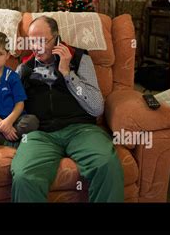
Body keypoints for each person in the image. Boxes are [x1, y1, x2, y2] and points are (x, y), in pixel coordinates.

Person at [11, 16, 124, 202]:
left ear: (56, 38)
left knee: (107, 164)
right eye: (32, 41)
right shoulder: (25, 67)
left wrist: (67, 74)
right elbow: (11, 103)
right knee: (24, 176)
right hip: (40, 133)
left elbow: (96, 108)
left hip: (81, 129)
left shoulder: (80, 58)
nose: (36, 47)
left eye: (42, 41)